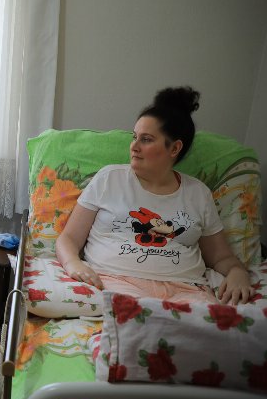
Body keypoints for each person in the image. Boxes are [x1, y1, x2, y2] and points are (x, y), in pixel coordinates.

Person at [56, 86, 254, 306]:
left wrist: (238, 273)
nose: (134, 146)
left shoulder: (198, 193)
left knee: (212, 325)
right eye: (134, 137)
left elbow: (220, 257)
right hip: (116, 282)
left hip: (186, 288)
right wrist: (73, 264)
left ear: (174, 148)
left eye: (146, 139)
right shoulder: (109, 179)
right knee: (132, 319)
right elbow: (69, 238)